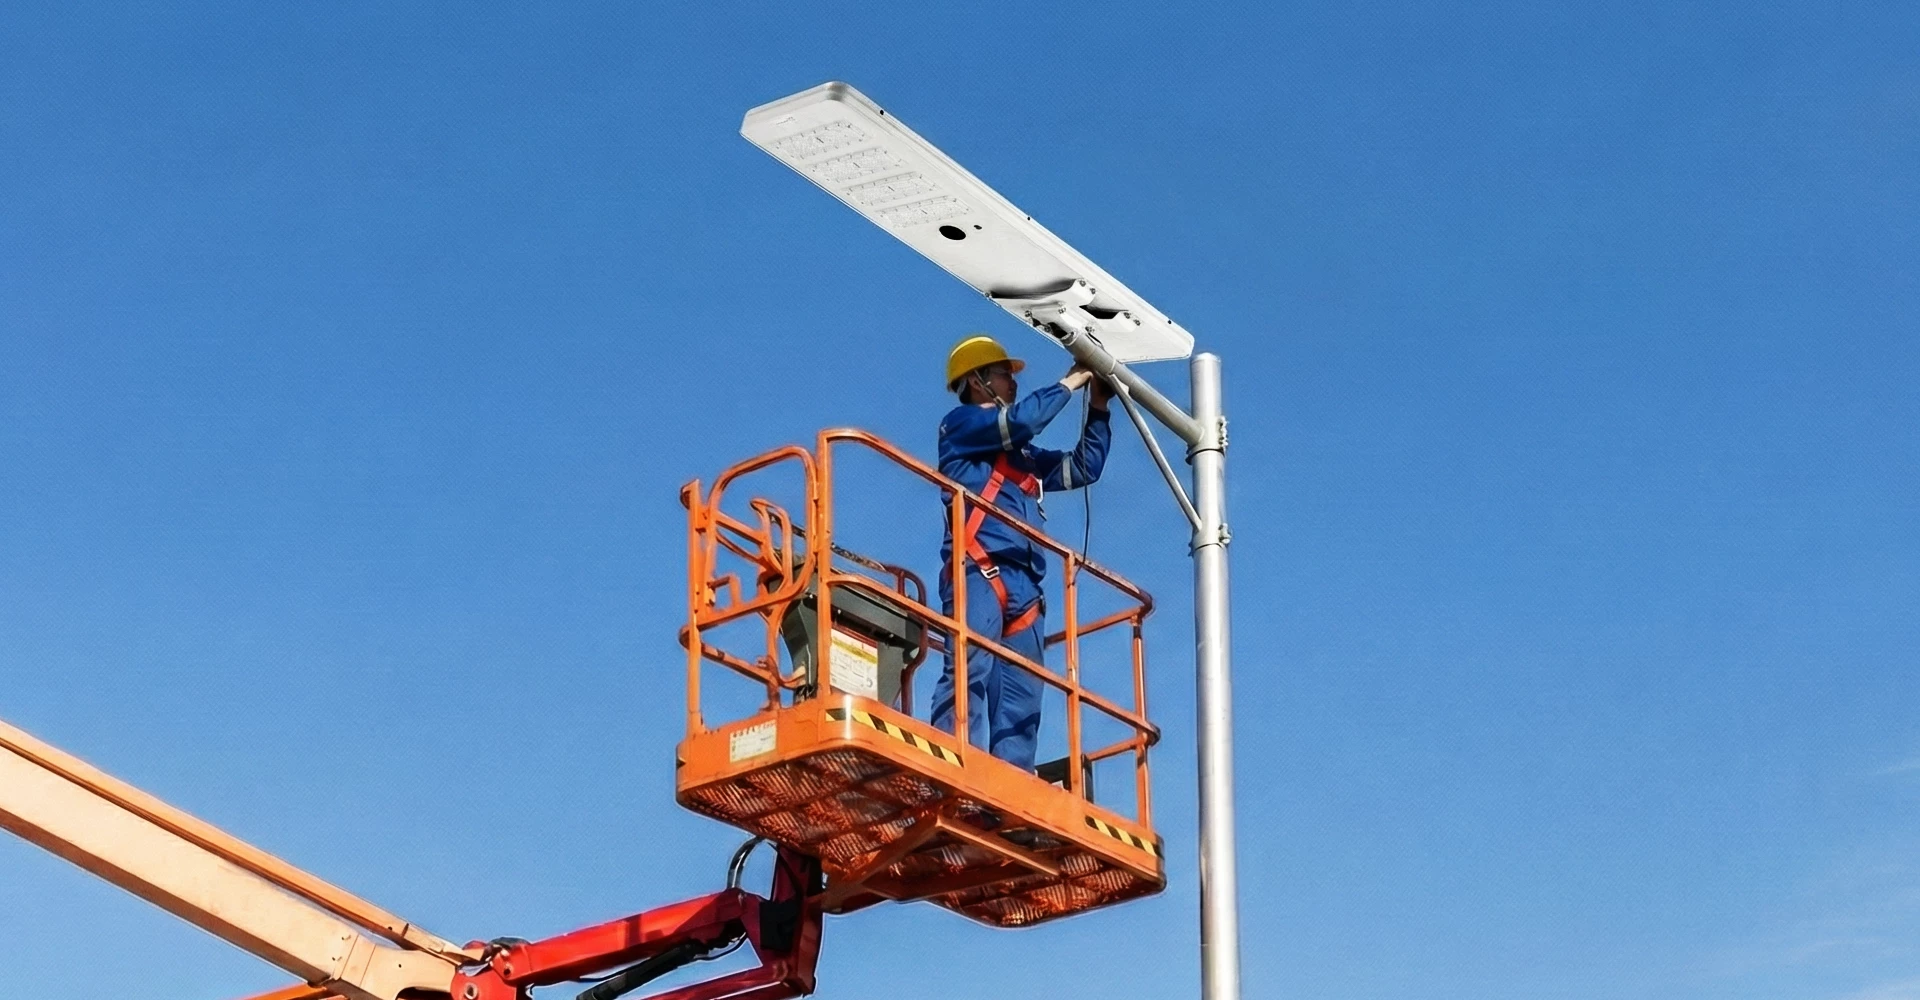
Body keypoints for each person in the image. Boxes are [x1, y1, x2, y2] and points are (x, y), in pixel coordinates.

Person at [930, 334, 1112, 772]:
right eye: (1005, 375)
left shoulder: (1023, 455)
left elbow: (1083, 467)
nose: (1012, 383)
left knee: (1023, 697)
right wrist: (1070, 381)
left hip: (1025, 585)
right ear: (978, 381)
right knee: (967, 672)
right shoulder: (960, 427)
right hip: (979, 569)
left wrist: (1100, 409)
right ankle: (950, 767)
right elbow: (1021, 422)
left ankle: (1008, 787)